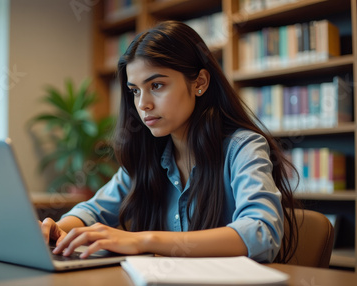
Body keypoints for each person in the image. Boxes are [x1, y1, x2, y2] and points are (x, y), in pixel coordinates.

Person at [40, 20, 299, 263]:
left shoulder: (243, 147)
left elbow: (261, 233)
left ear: (200, 82)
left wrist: (144, 240)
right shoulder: (148, 154)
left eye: (157, 85)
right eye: (135, 91)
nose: (143, 104)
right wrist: (57, 229)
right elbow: (92, 211)